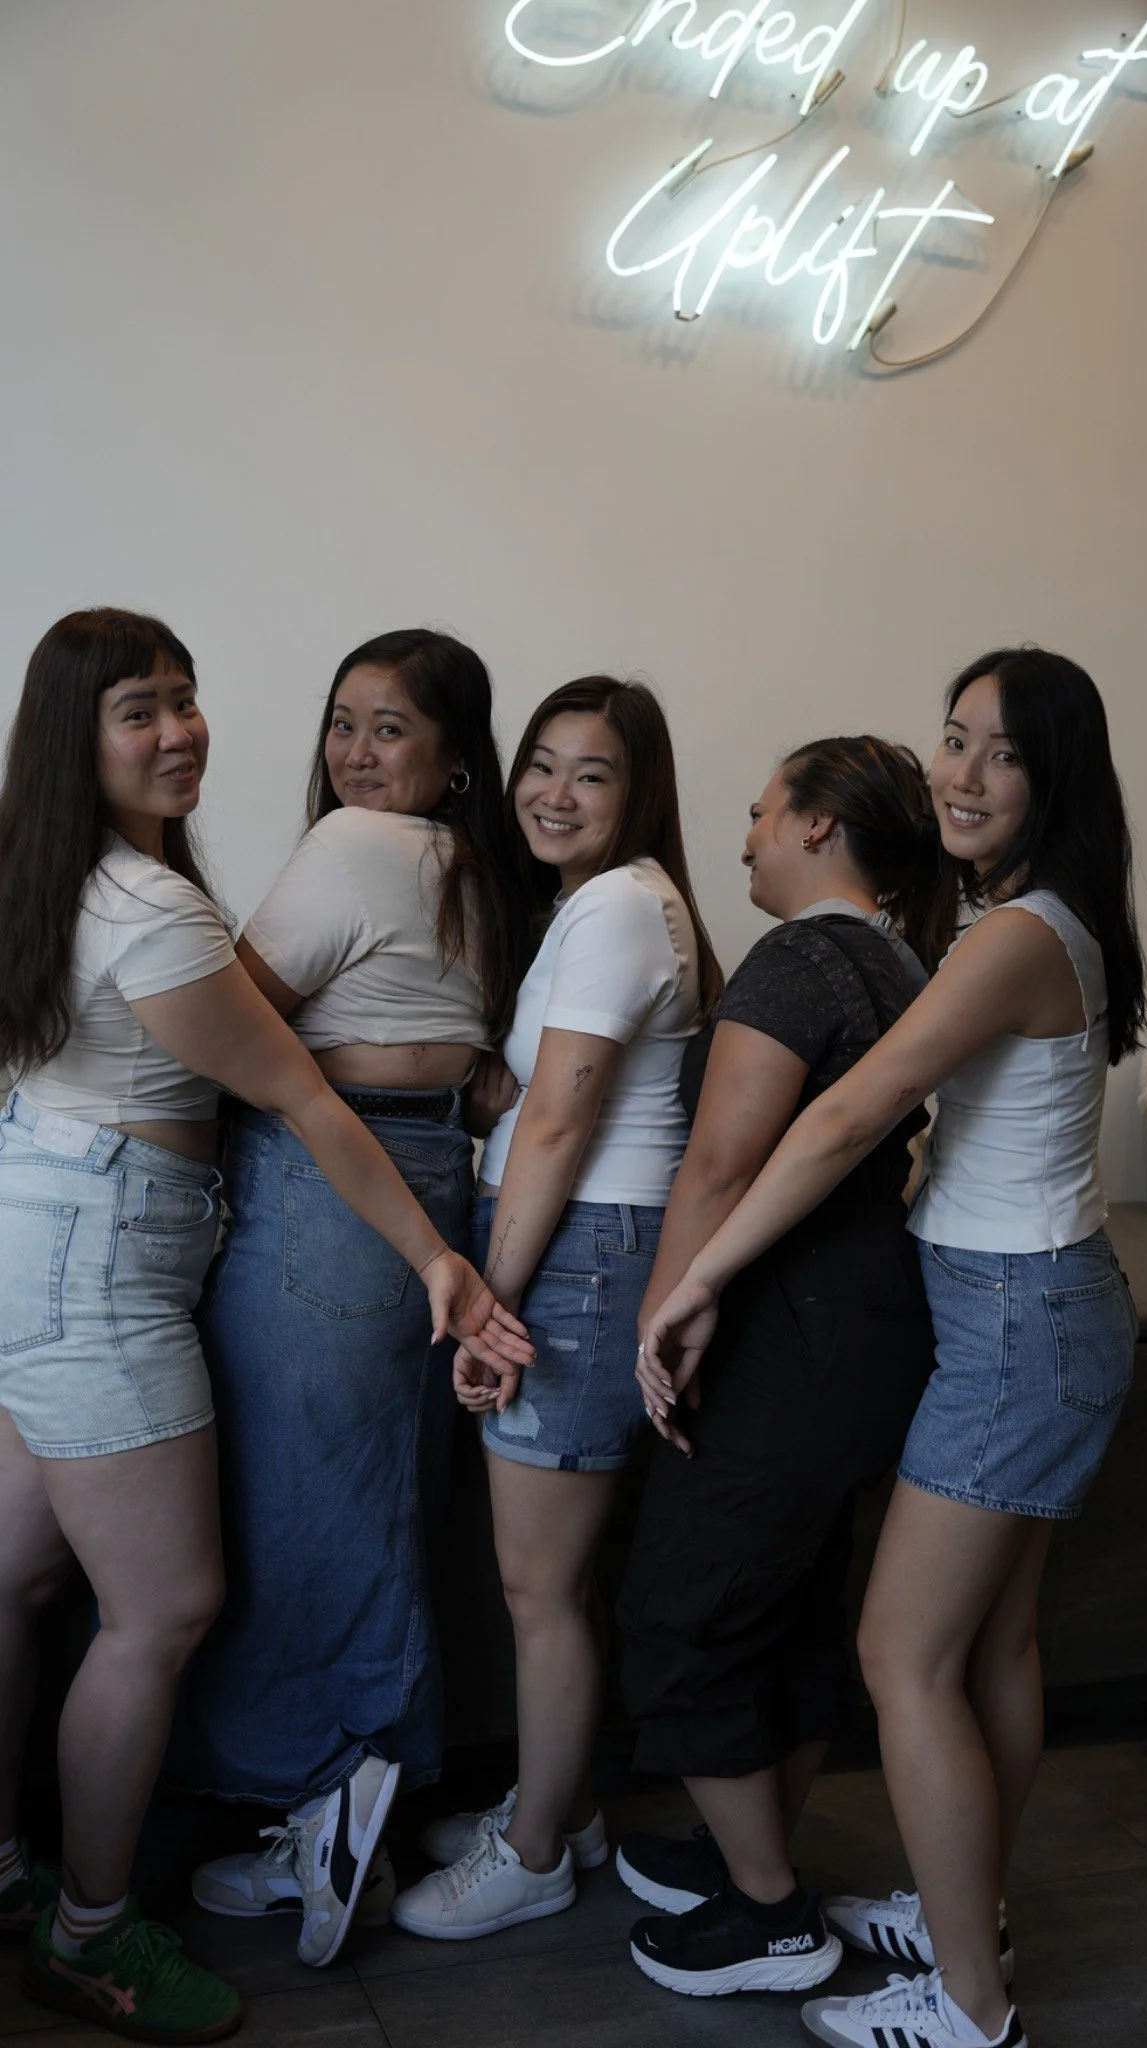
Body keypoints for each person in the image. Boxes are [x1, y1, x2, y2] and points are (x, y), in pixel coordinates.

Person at [0, 609, 530, 2040]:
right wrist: (441, 1254)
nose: (180, 731)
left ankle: (28, 1877)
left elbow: (282, 1070)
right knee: (162, 1602)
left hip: (83, 1227)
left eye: (186, 699)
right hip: (106, 1248)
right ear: (79, 738)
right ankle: (91, 1932)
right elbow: (298, 1086)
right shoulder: (157, 904)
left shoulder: (101, 880)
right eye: (139, 711)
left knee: (26, 1572)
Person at [641, 651, 1144, 2048]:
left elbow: (849, 1117)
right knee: (987, 1651)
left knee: (902, 1657)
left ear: (1056, 778)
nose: (962, 776)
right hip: (1039, 1307)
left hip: (1017, 1322)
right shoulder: (1040, 920)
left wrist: (700, 1280)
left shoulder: (1014, 935)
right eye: (953, 742)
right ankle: (957, 1908)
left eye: (1000, 754)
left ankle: (973, 2009)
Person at [177, 629, 514, 1962]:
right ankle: (355, 1794)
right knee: (379, 1491)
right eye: (344, 723)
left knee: (303, 1495)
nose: (356, 754)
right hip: (426, 1169)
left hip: (325, 1178)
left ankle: (325, 1792)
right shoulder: (475, 871)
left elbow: (219, 1020)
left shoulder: (356, 848)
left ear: (451, 758)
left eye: (392, 729)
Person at [390, 676, 723, 1941]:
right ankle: (564, 1804)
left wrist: (493, 1301)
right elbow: (535, 1098)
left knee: (538, 1583)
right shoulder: (602, 907)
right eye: (542, 762)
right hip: (576, 1240)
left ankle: (533, 1852)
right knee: (554, 1580)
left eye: (592, 772)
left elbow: (566, 1120)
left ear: (638, 793)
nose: (555, 791)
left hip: (577, 1250)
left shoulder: (623, 909)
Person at [613, 735, 941, 1998]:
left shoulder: (799, 956)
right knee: (789, 1607)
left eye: (760, 814)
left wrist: (662, 1313)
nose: (745, 838)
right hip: (865, 1318)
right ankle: (745, 1844)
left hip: (785, 1325)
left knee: (683, 1610)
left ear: (818, 827)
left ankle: (767, 1909)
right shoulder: (901, 958)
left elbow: (720, 1163)